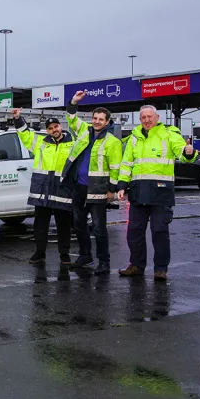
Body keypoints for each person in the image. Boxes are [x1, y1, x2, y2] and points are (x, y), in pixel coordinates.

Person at [117, 105, 199, 280]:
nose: (146, 120)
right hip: (138, 192)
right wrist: (122, 185)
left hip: (161, 192)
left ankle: (160, 269)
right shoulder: (134, 138)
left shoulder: (169, 134)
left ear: (157, 117)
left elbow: (182, 152)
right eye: (143, 117)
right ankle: (136, 265)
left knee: (159, 231)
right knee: (134, 231)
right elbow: (126, 164)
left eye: (150, 117)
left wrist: (188, 152)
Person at [61, 90, 123, 275]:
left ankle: (104, 261)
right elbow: (72, 118)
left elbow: (115, 168)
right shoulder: (84, 131)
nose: (96, 121)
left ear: (107, 122)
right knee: (78, 224)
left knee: (98, 227)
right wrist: (74, 101)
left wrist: (112, 190)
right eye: (95, 118)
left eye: (100, 119)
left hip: (98, 189)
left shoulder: (112, 141)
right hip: (79, 187)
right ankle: (85, 255)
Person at [12, 109, 75, 265]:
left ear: (61, 126)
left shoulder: (72, 144)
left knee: (64, 224)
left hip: (62, 189)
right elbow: (25, 135)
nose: (54, 130)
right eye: (50, 128)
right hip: (43, 190)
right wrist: (18, 118)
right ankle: (39, 252)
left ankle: (64, 254)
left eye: (56, 126)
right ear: (47, 131)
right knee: (40, 224)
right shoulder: (41, 143)